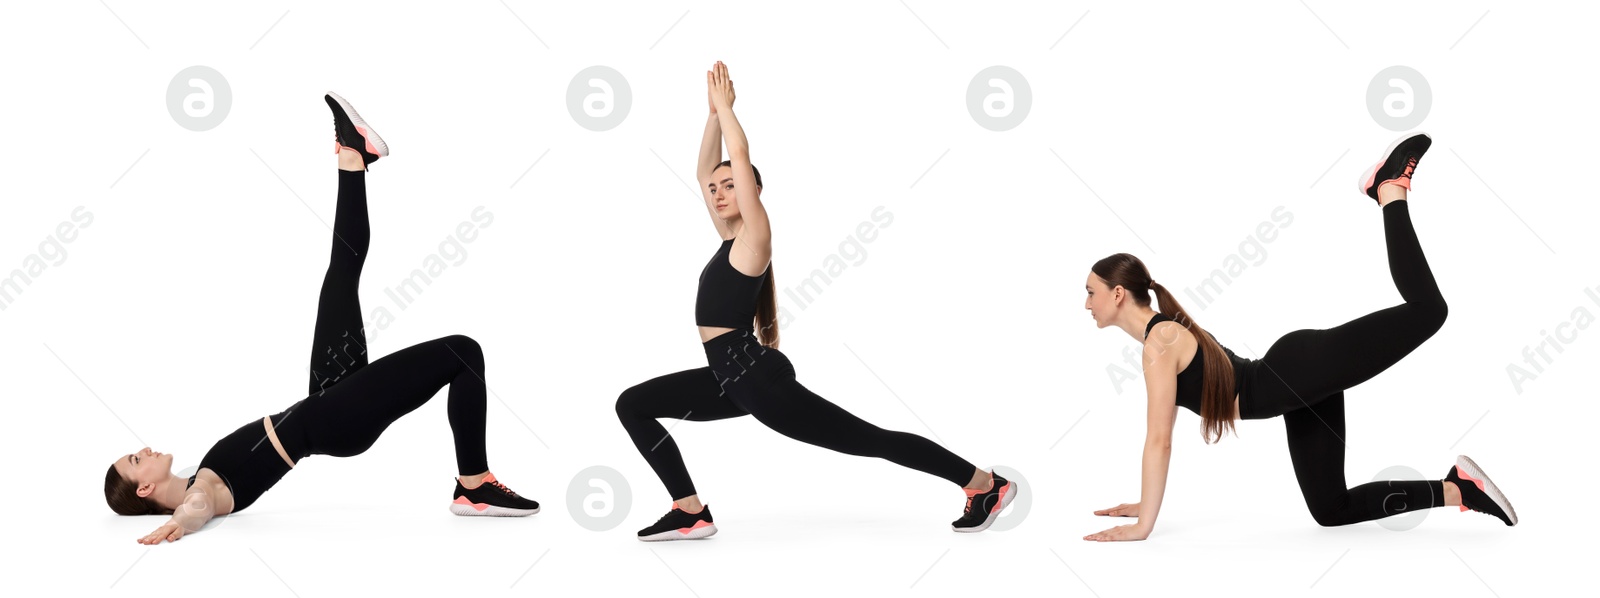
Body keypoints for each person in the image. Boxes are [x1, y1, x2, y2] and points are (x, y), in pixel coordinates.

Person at [105, 92, 540, 545]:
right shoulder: (207, 492)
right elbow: (200, 508)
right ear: (146, 488)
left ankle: (354, 154)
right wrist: (185, 520)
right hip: (341, 420)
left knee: (341, 273)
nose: (143, 451)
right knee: (462, 351)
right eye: (136, 461)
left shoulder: (199, 474)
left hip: (326, 399)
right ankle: (474, 485)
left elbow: (196, 495)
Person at [615, 62, 1016, 542]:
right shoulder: (729, 236)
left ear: (753, 192)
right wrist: (711, 117)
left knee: (873, 441)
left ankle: (986, 485)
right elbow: (704, 169)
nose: (719, 193)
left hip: (754, 379)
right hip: (730, 377)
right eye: (715, 190)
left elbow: (738, 157)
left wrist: (728, 110)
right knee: (633, 404)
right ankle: (689, 509)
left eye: (730, 186)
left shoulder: (755, 237)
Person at [1080, 132, 1517, 542]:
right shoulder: (1162, 338)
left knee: (1428, 310)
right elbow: (1161, 436)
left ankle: (1389, 190)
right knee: (1331, 508)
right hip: (1295, 386)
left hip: (1296, 373)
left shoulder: (1161, 344)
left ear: (1118, 294)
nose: (1086, 304)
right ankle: (1459, 490)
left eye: (1091, 292)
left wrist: (1144, 526)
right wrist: (1143, 504)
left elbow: (1160, 440)